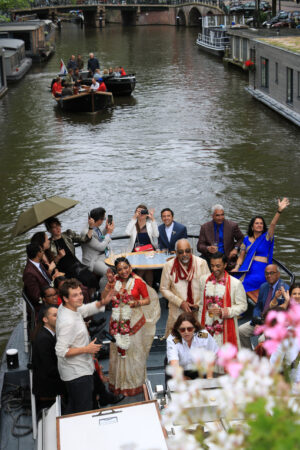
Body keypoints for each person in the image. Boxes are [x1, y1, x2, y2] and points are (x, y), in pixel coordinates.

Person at [102, 257, 160, 396]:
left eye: (125, 268)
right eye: (120, 269)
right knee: (118, 351)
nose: (123, 271)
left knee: (134, 352)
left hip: (134, 321)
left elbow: (147, 300)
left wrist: (136, 303)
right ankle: (119, 384)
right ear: (117, 270)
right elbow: (105, 299)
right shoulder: (113, 281)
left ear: (130, 267)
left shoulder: (138, 282)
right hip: (117, 319)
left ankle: (135, 384)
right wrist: (109, 286)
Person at [55, 278, 111, 413]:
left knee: (80, 402)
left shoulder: (68, 307)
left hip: (82, 367)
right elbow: (60, 350)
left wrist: (103, 301)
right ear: (65, 298)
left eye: (80, 293)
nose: (80, 297)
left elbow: (84, 309)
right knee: (82, 408)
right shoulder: (67, 322)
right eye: (75, 295)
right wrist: (87, 349)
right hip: (77, 374)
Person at [232, 198, 289, 301]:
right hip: (247, 268)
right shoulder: (246, 239)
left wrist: (279, 211)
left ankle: (241, 311)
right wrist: (236, 267)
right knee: (233, 282)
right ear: (252, 226)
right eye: (257, 223)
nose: (259, 225)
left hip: (261, 270)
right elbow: (241, 257)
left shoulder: (267, 237)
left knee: (243, 285)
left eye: (261, 223)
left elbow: (273, 225)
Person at [160, 239, 210, 338]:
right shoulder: (168, 266)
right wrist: (180, 302)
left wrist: (199, 304)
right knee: (176, 340)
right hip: (177, 309)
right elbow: (163, 288)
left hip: (198, 309)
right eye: (180, 252)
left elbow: (208, 286)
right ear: (175, 253)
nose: (184, 254)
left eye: (187, 251)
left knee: (200, 338)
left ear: (191, 250)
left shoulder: (201, 263)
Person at [199, 252, 247, 350]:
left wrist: (223, 311)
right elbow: (201, 305)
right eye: (212, 266)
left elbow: (243, 306)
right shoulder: (203, 280)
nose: (214, 269)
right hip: (206, 325)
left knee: (224, 359)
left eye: (218, 266)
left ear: (225, 265)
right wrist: (199, 327)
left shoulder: (235, 283)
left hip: (225, 327)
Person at [238, 264, 289, 350]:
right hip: (260, 319)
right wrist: (257, 320)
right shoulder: (264, 286)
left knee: (261, 340)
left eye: (272, 273)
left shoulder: (285, 289)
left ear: (278, 274)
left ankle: (264, 360)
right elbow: (258, 306)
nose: (269, 276)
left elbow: (283, 313)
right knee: (240, 331)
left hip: (273, 323)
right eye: (267, 273)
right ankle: (251, 356)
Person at [45, 217, 98, 295]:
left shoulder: (67, 234)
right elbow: (51, 263)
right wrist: (59, 256)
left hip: (76, 265)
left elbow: (85, 239)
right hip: (64, 270)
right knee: (82, 282)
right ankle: (88, 298)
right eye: (54, 227)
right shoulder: (49, 244)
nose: (57, 228)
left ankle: (94, 296)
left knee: (91, 277)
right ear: (49, 230)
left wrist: (90, 227)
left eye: (58, 225)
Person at [32, 305, 66, 411]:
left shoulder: (50, 334)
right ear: (45, 319)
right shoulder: (44, 339)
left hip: (52, 377)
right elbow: (50, 369)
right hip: (48, 386)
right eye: (55, 315)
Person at [167, 312, 219, 378]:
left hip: (200, 370)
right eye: (182, 330)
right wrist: (182, 380)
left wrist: (209, 378)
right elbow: (174, 363)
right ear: (178, 330)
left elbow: (212, 355)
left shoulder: (203, 335)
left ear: (194, 328)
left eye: (189, 329)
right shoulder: (172, 339)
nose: (186, 332)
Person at [197, 204, 244, 270]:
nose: (220, 217)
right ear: (212, 216)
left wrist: (236, 249)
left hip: (227, 258)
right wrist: (208, 248)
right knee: (197, 264)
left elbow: (241, 238)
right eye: (217, 215)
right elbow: (199, 246)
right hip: (210, 258)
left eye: (222, 215)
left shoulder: (232, 226)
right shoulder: (205, 227)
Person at [81, 207, 114, 292]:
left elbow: (100, 238)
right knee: (108, 273)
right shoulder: (87, 231)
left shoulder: (95, 227)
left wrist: (106, 229)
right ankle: (102, 294)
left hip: (102, 255)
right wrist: (109, 234)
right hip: (93, 260)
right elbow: (100, 246)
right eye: (103, 218)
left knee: (120, 264)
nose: (103, 221)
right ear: (98, 219)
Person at [125, 204, 159, 286]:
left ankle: (146, 288)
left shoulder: (150, 224)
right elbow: (127, 232)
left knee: (147, 269)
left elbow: (156, 235)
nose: (141, 214)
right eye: (139, 211)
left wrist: (152, 219)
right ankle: (139, 287)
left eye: (143, 211)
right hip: (136, 252)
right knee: (144, 268)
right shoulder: (133, 224)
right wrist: (134, 218)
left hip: (149, 251)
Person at [23, 243, 52, 310]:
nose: (43, 252)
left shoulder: (38, 263)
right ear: (38, 254)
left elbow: (47, 280)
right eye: (42, 251)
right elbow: (37, 297)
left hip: (50, 292)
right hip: (44, 304)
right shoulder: (29, 273)